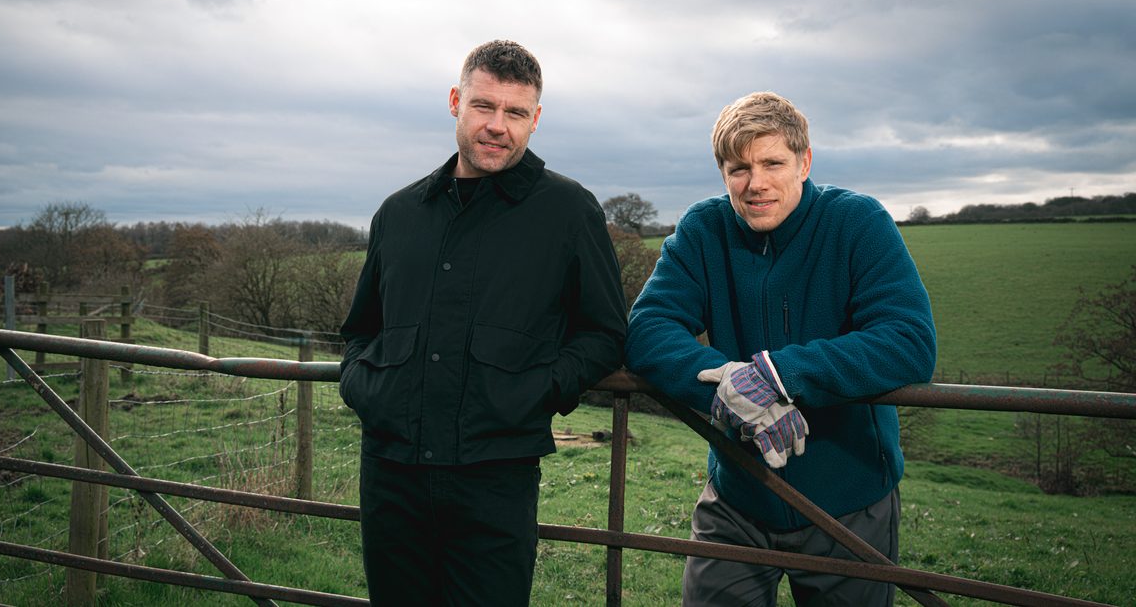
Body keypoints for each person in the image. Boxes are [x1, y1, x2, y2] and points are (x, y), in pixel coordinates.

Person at [339, 39, 627, 606]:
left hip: (497, 474)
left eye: (515, 112)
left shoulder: (569, 211)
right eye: (484, 106)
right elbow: (360, 329)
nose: (498, 125)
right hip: (391, 471)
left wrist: (536, 391)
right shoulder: (399, 213)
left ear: (535, 119)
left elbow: (606, 333)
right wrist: (364, 387)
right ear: (455, 101)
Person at [625, 91, 936, 605]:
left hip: (849, 501)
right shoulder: (704, 229)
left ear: (805, 161)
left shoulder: (858, 222)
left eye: (773, 162)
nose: (756, 184)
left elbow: (909, 341)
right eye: (738, 168)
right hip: (737, 495)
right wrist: (725, 385)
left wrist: (778, 375)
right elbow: (648, 328)